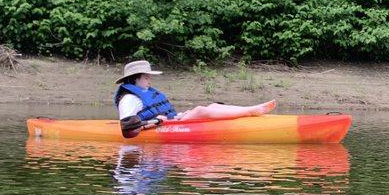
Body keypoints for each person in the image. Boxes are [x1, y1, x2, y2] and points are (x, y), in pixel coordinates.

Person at [113, 60, 277, 123]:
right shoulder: (129, 99)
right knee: (199, 110)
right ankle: (249, 112)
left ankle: (250, 110)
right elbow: (127, 126)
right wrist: (155, 121)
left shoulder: (143, 91)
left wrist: (175, 116)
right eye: (146, 77)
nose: (150, 80)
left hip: (172, 122)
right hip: (162, 127)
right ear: (134, 79)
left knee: (213, 105)